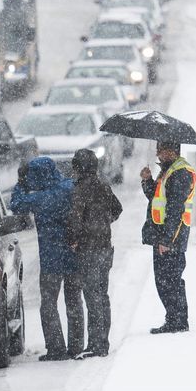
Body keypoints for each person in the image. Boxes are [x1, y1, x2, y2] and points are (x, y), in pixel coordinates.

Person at [10, 157, 82, 361]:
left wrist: (21, 184)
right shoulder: (70, 187)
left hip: (51, 259)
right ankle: (76, 346)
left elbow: (16, 204)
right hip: (75, 255)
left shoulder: (42, 197)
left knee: (49, 303)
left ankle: (56, 348)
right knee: (74, 301)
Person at [68, 149, 123, 358]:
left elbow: (74, 219)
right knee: (102, 295)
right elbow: (118, 209)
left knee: (92, 297)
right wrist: (103, 222)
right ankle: (103, 342)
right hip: (105, 247)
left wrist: (73, 239)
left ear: (77, 167)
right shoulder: (104, 187)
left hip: (88, 249)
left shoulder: (80, 190)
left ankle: (95, 345)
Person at [140, 140, 196, 333]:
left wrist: (167, 240)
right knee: (165, 281)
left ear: (172, 151)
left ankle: (178, 322)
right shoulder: (168, 170)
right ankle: (174, 319)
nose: (158, 155)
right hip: (164, 236)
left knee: (170, 281)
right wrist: (147, 181)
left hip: (172, 238)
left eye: (161, 151)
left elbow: (175, 210)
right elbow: (157, 199)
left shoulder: (179, 173)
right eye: (157, 150)